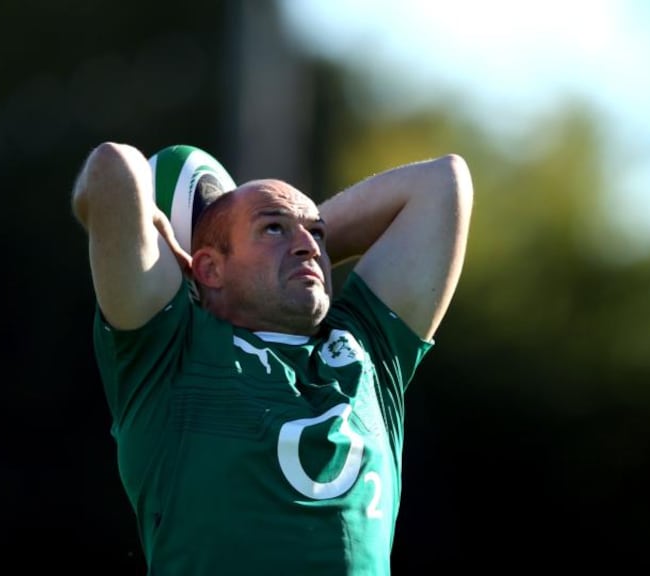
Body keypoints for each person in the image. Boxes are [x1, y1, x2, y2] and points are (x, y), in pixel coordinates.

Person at [70, 141, 473, 575]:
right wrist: (158, 227)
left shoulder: (369, 346)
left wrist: (283, 250)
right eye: (274, 228)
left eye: (317, 234)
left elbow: (443, 181)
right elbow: (113, 168)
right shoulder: (170, 355)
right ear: (207, 269)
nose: (311, 247)